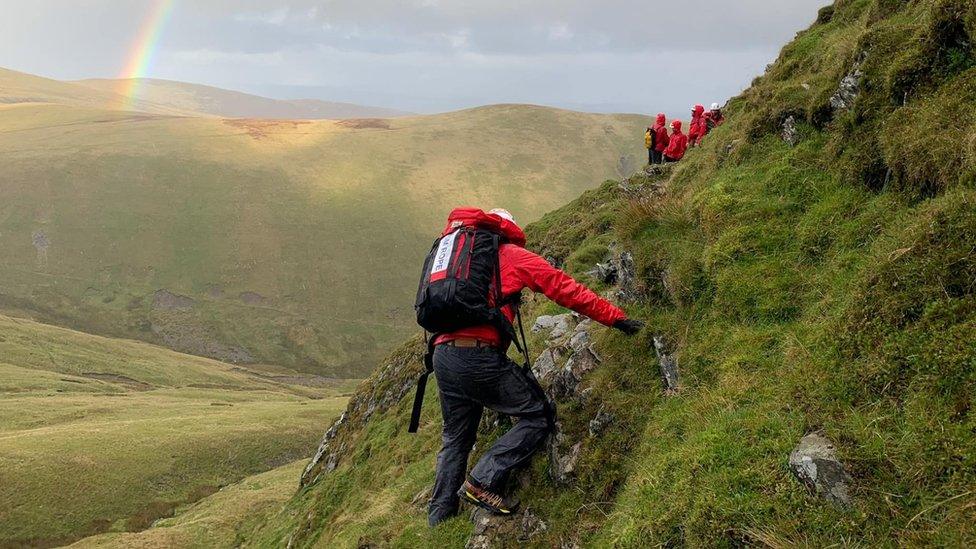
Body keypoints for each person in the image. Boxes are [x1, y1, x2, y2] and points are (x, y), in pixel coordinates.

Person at [426, 207, 644, 526]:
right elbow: (563, 288)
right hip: (477, 356)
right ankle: (483, 480)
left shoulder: (455, 257)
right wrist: (615, 317)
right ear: (509, 231)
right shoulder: (512, 255)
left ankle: (440, 519)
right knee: (538, 414)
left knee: (456, 436)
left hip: (442, 356)